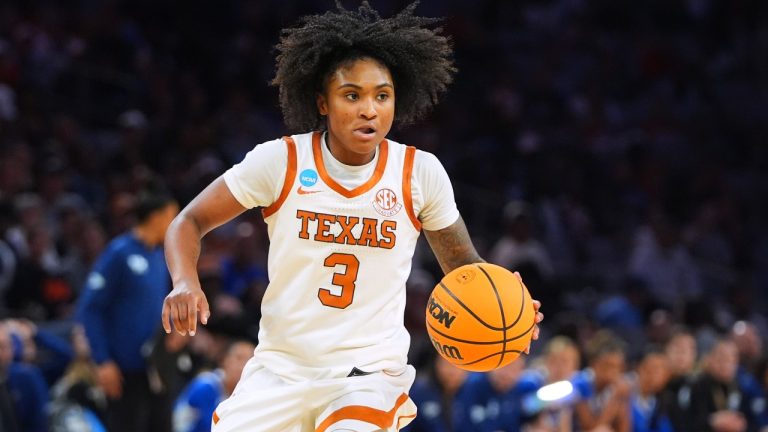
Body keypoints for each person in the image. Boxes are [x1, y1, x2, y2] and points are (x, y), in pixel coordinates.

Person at [161, 2, 543, 431]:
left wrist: (509, 308)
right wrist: (185, 281)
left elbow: (464, 266)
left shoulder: (419, 172)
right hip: (282, 368)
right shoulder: (281, 162)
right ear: (322, 102)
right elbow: (188, 221)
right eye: (352, 95)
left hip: (367, 375)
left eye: (382, 95)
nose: (369, 109)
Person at [75, 179, 179, 432]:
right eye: (172, 216)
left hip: (155, 367)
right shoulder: (118, 253)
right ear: (155, 217)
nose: (176, 223)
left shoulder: (159, 255)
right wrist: (102, 360)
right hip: (123, 372)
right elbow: (90, 308)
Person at [173, 340, 256, 432]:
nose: (242, 366)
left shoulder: (251, 395)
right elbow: (179, 421)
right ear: (226, 360)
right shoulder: (206, 385)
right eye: (239, 358)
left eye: (248, 360)